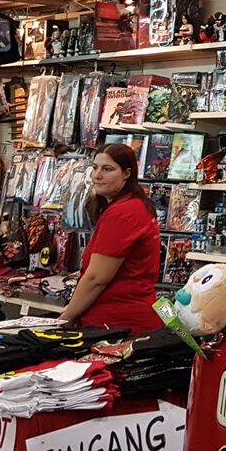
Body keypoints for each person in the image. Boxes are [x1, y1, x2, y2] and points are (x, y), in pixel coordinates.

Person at [58, 143, 163, 333]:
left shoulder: (122, 213)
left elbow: (96, 278)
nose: (97, 175)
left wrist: (65, 318)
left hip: (117, 325)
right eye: (95, 167)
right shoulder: (134, 206)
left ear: (126, 173)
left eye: (107, 169)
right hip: (124, 320)